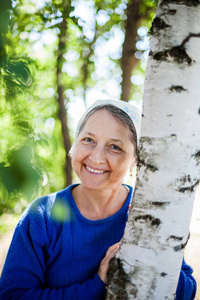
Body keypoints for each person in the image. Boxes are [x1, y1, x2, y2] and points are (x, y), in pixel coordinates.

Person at [0, 99, 196, 300]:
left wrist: (151, 254)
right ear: (75, 144)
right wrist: (97, 285)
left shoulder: (148, 212)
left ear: (134, 160)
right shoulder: (41, 217)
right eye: (88, 140)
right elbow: (13, 296)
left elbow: (186, 291)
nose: (96, 157)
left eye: (114, 147)